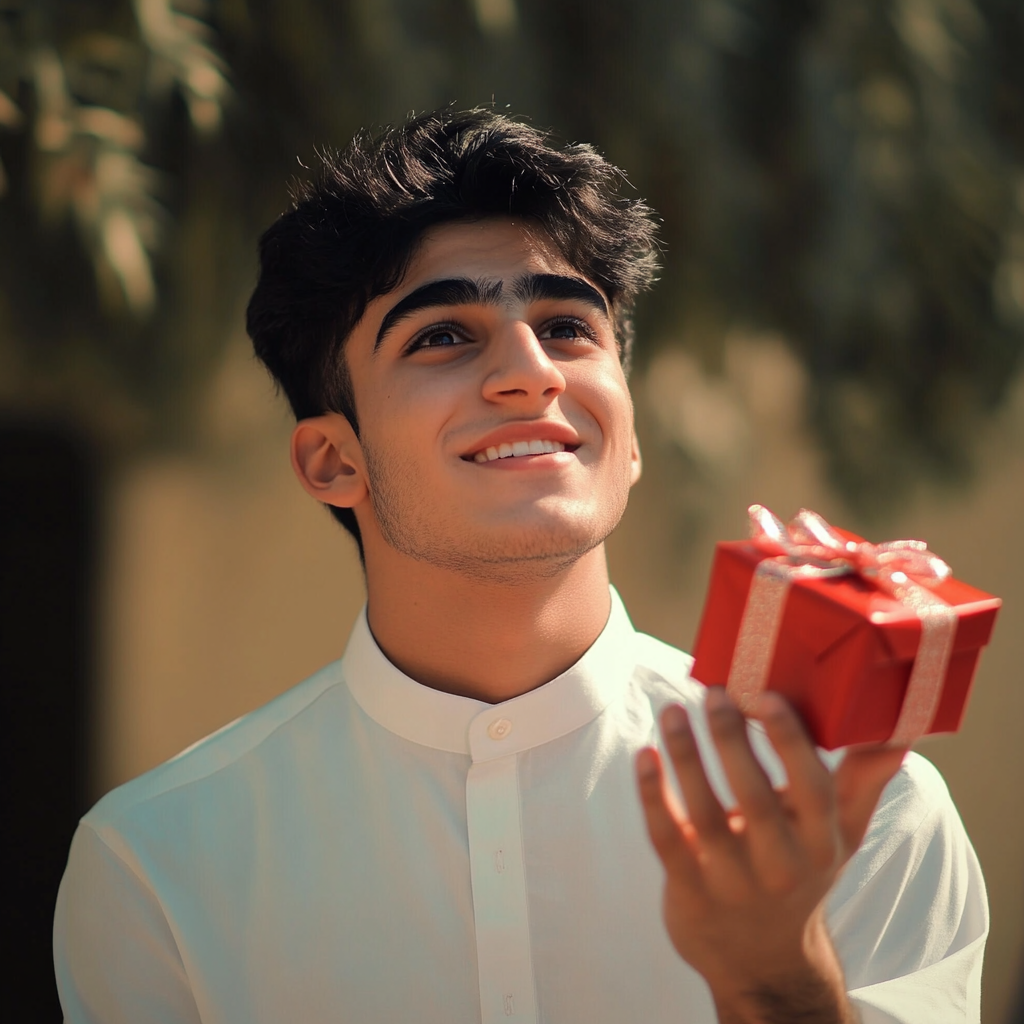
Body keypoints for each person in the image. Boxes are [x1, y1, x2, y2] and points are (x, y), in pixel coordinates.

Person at [53, 108, 987, 1024]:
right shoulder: (159, 862)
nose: (531, 372)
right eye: (442, 337)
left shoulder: (859, 810)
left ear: (626, 437)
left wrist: (779, 983)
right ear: (333, 461)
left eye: (570, 328)